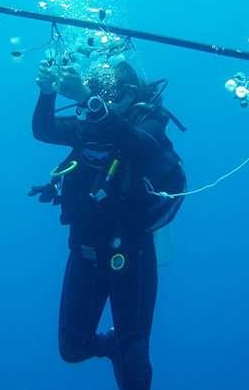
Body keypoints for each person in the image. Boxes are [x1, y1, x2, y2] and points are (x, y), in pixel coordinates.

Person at [29, 49, 186, 390]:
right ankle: (111, 344)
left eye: (109, 96)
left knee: (136, 367)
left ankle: (124, 347)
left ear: (129, 93)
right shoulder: (86, 127)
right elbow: (43, 129)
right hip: (85, 251)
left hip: (132, 253)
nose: (104, 104)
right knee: (72, 348)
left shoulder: (149, 120)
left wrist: (88, 99)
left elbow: (141, 145)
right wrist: (47, 92)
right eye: (100, 96)